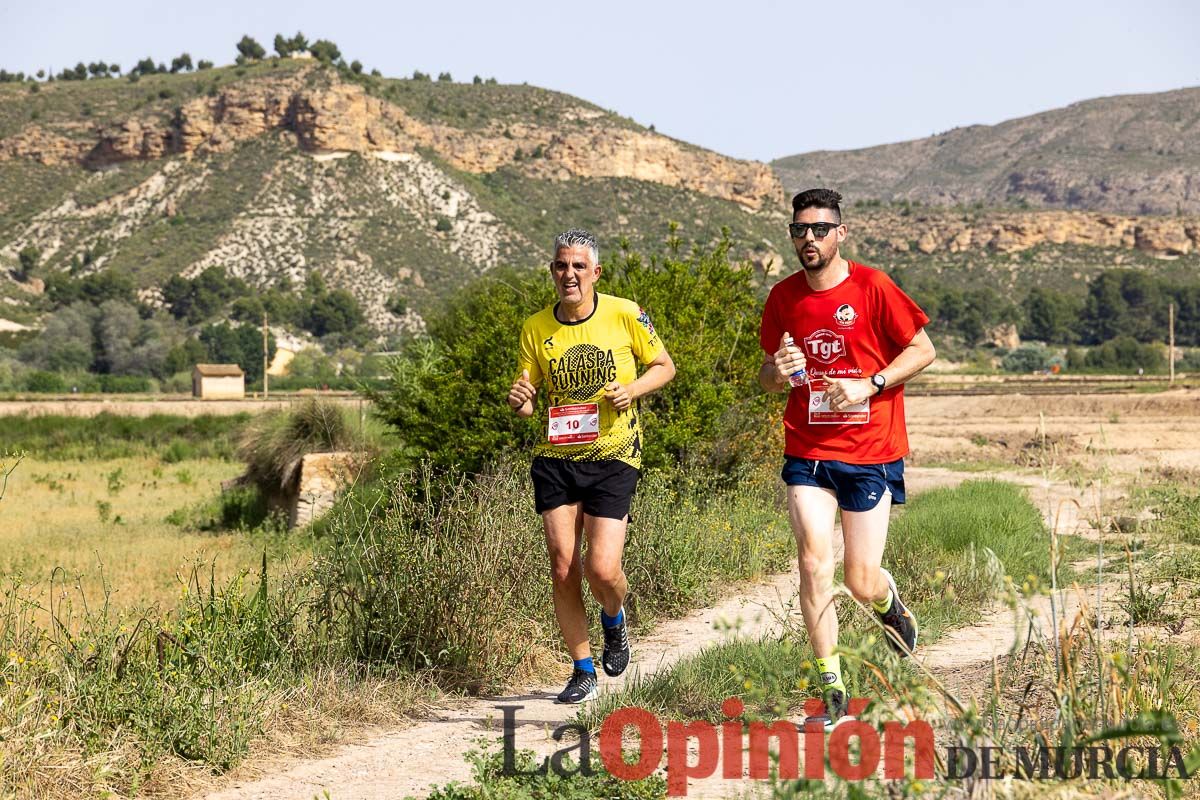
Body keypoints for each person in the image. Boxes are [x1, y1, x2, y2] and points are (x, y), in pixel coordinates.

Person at [758, 189, 936, 729]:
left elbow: (923, 350)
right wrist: (780, 367)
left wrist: (870, 384)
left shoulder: (872, 286)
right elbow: (767, 378)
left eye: (818, 229)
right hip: (808, 449)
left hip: (871, 450)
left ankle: (890, 606)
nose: (807, 239)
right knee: (813, 563)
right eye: (799, 230)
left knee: (860, 578)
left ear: (841, 233)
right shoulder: (783, 297)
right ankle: (831, 690)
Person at [507, 229, 676, 703]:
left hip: (613, 454)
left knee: (601, 569)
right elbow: (525, 397)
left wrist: (632, 391)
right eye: (562, 265)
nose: (570, 274)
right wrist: (520, 401)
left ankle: (615, 617)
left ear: (595, 273)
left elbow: (665, 365)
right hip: (556, 458)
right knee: (563, 567)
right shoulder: (536, 327)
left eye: (579, 266)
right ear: (552, 272)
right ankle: (582, 668)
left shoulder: (625, 313)